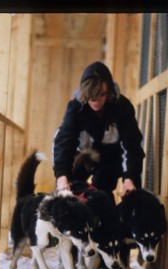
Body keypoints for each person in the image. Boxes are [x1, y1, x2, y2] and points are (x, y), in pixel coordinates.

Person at [52, 61, 144, 196]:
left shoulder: (122, 107)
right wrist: (61, 176)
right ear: (85, 93)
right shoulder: (75, 108)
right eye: (91, 96)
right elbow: (64, 142)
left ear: (109, 92)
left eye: (102, 94)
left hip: (110, 156)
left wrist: (130, 178)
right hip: (81, 155)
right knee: (71, 188)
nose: (96, 101)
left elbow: (132, 146)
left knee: (104, 188)